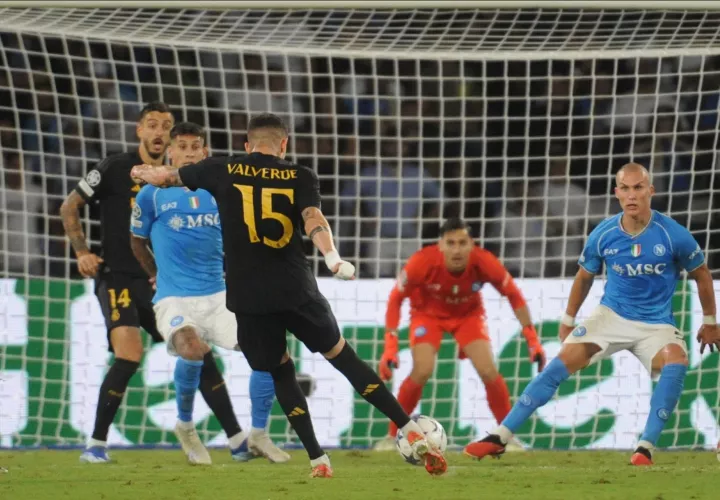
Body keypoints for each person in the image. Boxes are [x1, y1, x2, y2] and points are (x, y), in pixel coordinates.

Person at [129, 113, 447, 478]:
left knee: (279, 370)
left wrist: (143, 172)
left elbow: (164, 177)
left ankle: (317, 459)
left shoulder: (222, 169)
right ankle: (408, 428)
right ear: (284, 145)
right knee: (343, 357)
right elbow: (313, 217)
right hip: (295, 289)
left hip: (248, 299)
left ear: (247, 146)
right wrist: (332, 257)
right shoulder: (300, 175)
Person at [465, 163, 720, 465]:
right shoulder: (604, 234)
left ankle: (645, 447)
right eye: (625, 188)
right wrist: (567, 319)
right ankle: (500, 437)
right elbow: (585, 276)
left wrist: (710, 322)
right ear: (616, 193)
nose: (632, 195)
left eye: (638, 187)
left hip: (656, 325)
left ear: (650, 191)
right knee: (558, 366)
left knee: (676, 362)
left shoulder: (673, 234)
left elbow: (701, 273)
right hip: (610, 318)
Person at [130, 121, 288, 464]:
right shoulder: (152, 194)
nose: (188, 152)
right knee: (192, 348)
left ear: (205, 153)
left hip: (220, 296)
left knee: (264, 351)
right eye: (181, 146)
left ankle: (258, 434)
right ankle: (185, 426)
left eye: (195, 147)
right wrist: (155, 275)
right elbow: (136, 240)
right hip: (174, 297)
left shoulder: (220, 190)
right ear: (170, 151)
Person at [60, 102, 173, 463]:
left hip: (162, 282)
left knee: (194, 351)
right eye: (152, 125)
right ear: (139, 130)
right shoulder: (114, 167)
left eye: (166, 127)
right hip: (118, 278)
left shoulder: (177, 178)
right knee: (129, 353)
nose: (159, 132)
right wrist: (82, 252)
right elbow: (69, 206)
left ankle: (233, 440)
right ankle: (95, 444)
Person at [374, 218, 546, 451]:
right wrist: (390, 347)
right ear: (441, 245)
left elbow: (514, 295)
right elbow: (395, 299)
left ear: (472, 244)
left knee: (488, 370)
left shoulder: (484, 261)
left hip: (468, 316)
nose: (457, 249)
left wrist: (533, 340)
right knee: (422, 370)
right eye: (451, 243)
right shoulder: (422, 262)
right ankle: (392, 435)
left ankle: (506, 437)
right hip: (427, 315)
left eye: (462, 243)